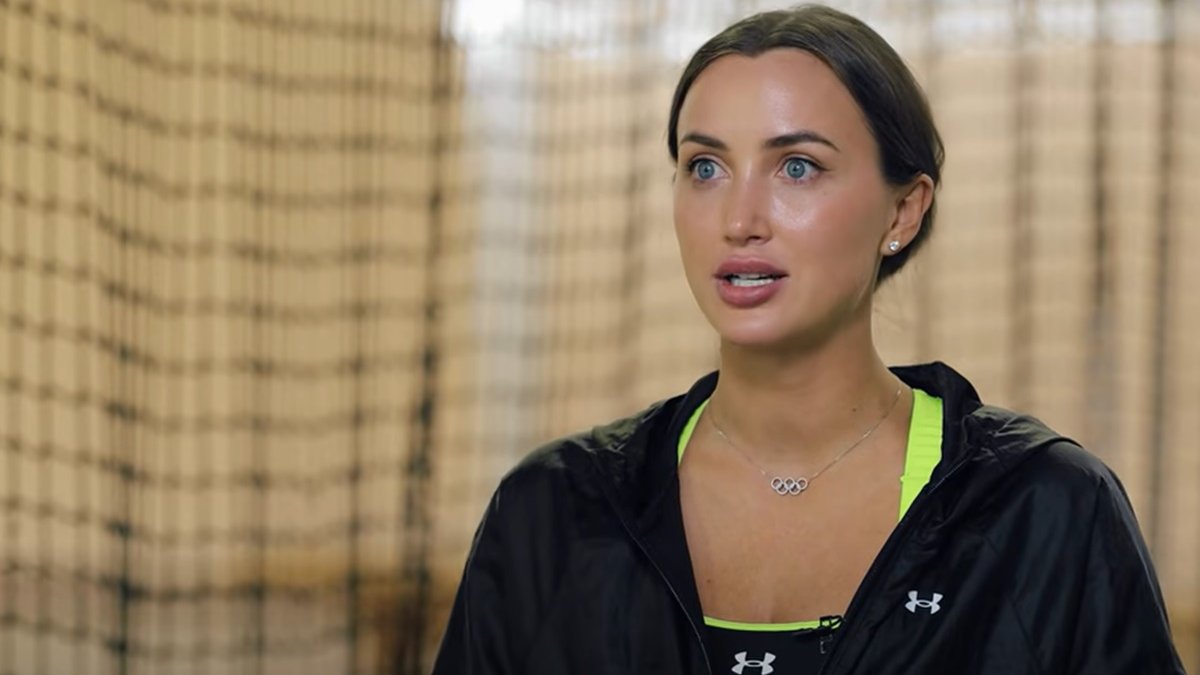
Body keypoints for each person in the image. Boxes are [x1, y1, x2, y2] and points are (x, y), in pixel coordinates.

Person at [430, 5, 1186, 674]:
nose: (739, 219)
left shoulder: (1044, 510)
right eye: (705, 166)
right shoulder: (553, 511)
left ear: (903, 211)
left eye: (797, 166)